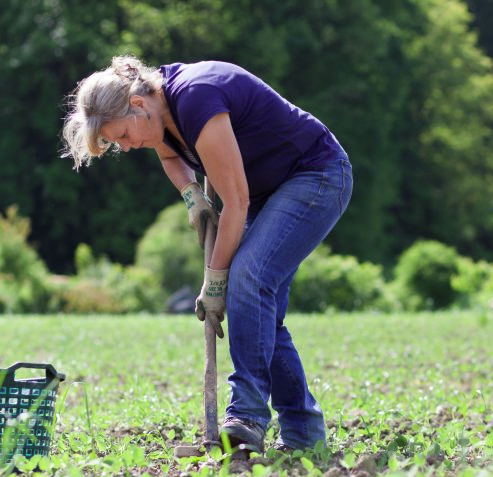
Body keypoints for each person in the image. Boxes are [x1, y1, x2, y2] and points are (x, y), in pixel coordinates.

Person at [61, 56, 352, 454]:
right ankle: (303, 434)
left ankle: (246, 415)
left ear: (139, 105)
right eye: (116, 143)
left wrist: (214, 282)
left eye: (123, 135)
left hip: (316, 175)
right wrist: (191, 194)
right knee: (261, 314)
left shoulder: (196, 98)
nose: (126, 147)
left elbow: (235, 202)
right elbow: (170, 155)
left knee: (247, 277)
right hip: (270, 193)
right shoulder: (156, 113)